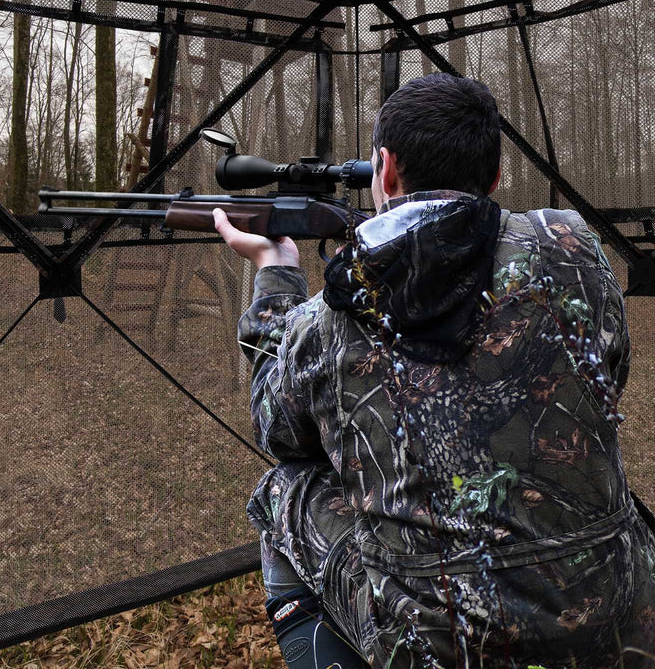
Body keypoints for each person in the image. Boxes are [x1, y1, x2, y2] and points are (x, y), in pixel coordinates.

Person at [213, 73, 655, 668]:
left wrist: (276, 272)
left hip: (441, 644)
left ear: (385, 170)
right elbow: (608, 375)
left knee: (282, 490)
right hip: (622, 614)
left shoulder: (332, 315)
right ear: (495, 177)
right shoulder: (573, 250)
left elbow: (278, 430)